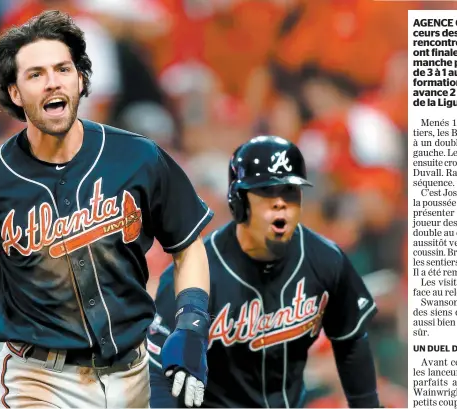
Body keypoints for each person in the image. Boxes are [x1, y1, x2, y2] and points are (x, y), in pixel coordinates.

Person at [0, 10, 213, 408]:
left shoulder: (138, 156)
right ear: (15, 93)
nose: (53, 80)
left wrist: (192, 326)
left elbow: (187, 243)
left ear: (82, 79)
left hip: (135, 370)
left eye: (63, 68)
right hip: (40, 379)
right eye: (35, 74)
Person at [147, 135, 382, 408]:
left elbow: (351, 343)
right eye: (268, 192)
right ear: (239, 202)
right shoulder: (197, 270)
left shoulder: (325, 259)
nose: (281, 203)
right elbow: (158, 372)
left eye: (290, 191)